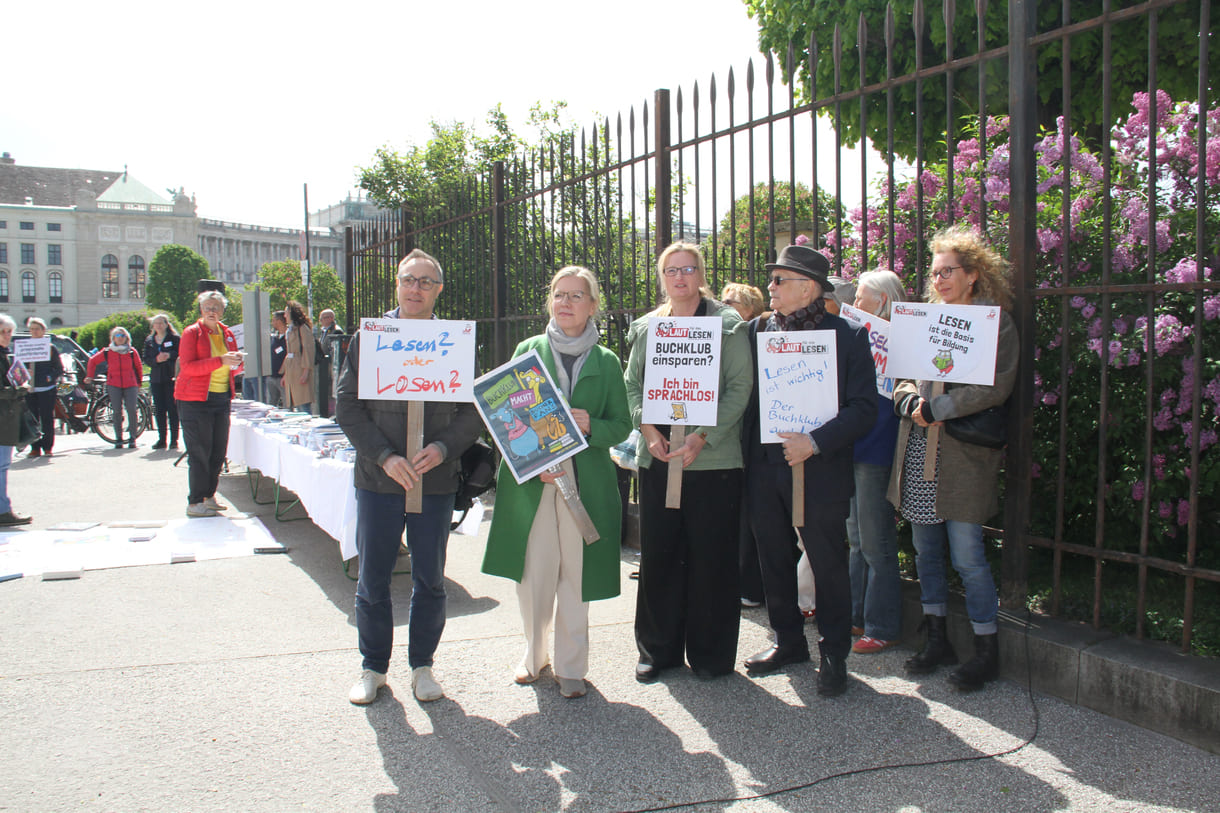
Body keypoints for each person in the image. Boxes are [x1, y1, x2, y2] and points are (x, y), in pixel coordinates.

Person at [337, 248, 482, 706]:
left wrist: (443, 448)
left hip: (433, 482)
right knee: (373, 579)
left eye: (425, 281)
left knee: (430, 580)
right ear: (397, 285)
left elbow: (473, 411)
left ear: (438, 290)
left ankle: (423, 666)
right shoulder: (369, 338)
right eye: (408, 280)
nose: (415, 288)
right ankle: (373, 668)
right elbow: (347, 406)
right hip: (379, 480)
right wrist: (383, 456)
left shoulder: (454, 341)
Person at [483, 266, 631, 699]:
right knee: (534, 575)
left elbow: (622, 424)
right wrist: (530, 463)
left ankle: (571, 666)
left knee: (577, 577)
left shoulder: (607, 361)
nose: (565, 302)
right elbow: (503, 415)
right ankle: (534, 656)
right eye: (559, 294)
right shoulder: (527, 350)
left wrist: (591, 425)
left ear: (592, 305)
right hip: (535, 481)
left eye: (576, 295)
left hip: (585, 483)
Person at [742, 243, 876, 697]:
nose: (771, 287)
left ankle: (834, 652)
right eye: (772, 279)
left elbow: (864, 409)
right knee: (773, 557)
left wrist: (814, 442)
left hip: (821, 470)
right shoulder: (757, 330)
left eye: (780, 280)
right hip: (765, 466)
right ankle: (788, 642)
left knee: (827, 562)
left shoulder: (848, 336)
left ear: (809, 288)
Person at [888, 225, 1018, 691]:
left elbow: (994, 386)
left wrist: (937, 408)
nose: (939, 279)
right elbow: (901, 375)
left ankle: (986, 650)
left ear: (973, 274)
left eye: (948, 271)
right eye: (935, 272)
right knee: (926, 552)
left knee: (968, 556)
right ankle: (937, 637)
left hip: (961, 458)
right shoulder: (922, 320)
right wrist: (909, 400)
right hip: (918, 450)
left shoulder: (994, 324)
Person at [626, 242, 752, 682]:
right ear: (662, 278)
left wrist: (702, 436)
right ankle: (656, 651)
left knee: (712, 558)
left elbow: (739, 387)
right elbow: (632, 385)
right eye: (671, 270)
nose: (679, 277)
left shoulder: (727, 324)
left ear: (701, 275)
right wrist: (647, 429)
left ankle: (711, 655)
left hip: (713, 461)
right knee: (659, 556)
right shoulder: (648, 328)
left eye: (688, 269)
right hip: (659, 457)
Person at [845, 270, 907, 654]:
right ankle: (855, 616)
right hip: (853, 446)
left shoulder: (904, 341)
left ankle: (882, 626)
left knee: (875, 540)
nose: (855, 304)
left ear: (882, 301)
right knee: (855, 539)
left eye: (861, 297)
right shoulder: (856, 336)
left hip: (877, 449)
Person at [720, 281, 768, 610]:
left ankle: (751, 584)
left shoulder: (757, 337)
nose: (723, 306)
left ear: (751, 310)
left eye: (731, 302)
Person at [175, 290, 242, 517]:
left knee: (218, 450)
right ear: (201, 310)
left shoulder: (227, 333)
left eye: (216, 308)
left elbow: (232, 368)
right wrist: (220, 360)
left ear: (222, 311)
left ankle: (209, 495)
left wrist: (236, 363)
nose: (211, 311)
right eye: (207, 307)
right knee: (199, 452)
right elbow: (188, 368)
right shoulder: (191, 333)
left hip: (221, 397)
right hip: (195, 400)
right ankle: (195, 501)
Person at [85, 326, 144, 450]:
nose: (120, 338)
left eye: (123, 336)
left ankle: (132, 438)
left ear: (127, 338)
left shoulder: (132, 352)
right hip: (114, 384)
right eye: (117, 336)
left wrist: (139, 383)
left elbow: (138, 367)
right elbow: (92, 361)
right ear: (113, 338)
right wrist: (90, 376)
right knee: (116, 411)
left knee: (132, 409)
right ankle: (119, 439)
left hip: (130, 384)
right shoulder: (107, 352)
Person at [0, 315, 33, 525]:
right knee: (2, 466)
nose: (6, 336)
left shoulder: (6, 355)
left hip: (7, 417)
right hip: (3, 419)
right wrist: (19, 389)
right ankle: (3, 510)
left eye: (9, 332)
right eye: (2, 332)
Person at [23, 318, 63, 458]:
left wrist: (49, 377)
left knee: (47, 419)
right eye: (32, 329)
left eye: (37, 329)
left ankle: (47, 447)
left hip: (47, 389)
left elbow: (59, 369)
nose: (34, 331)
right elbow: (18, 366)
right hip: (30, 389)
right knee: (32, 420)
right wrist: (25, 372)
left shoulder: (51, 348)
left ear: (43, 330)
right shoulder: (25, 347)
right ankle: (35, 448)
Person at [143, 314, 180, 450]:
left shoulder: (174, 338)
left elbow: (181, 353)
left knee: (172, 409)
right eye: (156, 323)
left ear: (166, 324)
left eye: (161, 323)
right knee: (159, 410)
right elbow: (146, 358)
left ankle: (174, 440)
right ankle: (161, 439)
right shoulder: (149, 340)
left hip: (171, 377)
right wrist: (156, 360)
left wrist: (169, 355)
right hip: (156, 379)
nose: (158, 325)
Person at [281, 300, 315, 414]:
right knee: (295, 403)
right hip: (291, 369)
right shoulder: (290, 330)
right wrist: (285, 374)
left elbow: (308, 350)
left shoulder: (302, 328)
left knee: (303, 403)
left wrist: (306, 371)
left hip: (300, 368)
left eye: (286, 313)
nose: (284, 316)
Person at [314, 308, 344, 418]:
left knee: (331, 393)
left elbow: (334, 350)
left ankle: (332, 414)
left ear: (330, 318)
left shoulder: (336, 331)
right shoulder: (324, 331)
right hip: (324, 366)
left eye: (322, 319)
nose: (320, 321)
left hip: (331, 367)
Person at [266, 311, 288, 406]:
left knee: (287, 405)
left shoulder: (290, 337)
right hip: (271, 377)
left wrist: (286, 374)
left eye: (273, 320)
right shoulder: (274, 337)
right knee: (271, 405)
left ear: (279, 321)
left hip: (284, 378)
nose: (272, 323)